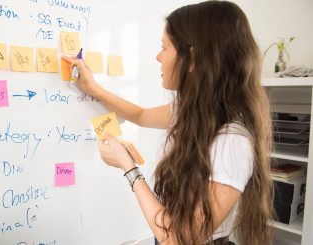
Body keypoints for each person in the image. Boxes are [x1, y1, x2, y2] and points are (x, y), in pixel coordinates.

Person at [62, 1, 274, 244]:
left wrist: (128, 168)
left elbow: (177, 239)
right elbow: (140, 115)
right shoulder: (197, 112)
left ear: (192, 59)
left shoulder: (231, 141)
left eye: (164, 47)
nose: (158, 57)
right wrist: (92, 88)